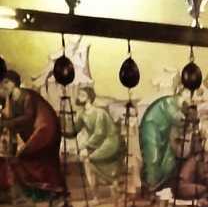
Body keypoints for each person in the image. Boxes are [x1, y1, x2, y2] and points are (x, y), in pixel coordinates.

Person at [0, 70, 64, 200]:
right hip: (36, 131)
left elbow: (28, 117)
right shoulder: (12, 99)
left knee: (26, 155)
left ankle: (51, 189)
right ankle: (41, 191)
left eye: (7, 82)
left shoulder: (26, 95)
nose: (4, 85)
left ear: (15, 83)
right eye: (2, 83)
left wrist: (7, 123)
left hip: (45, 129)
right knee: (36, 160)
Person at [75, 86, 123, 197]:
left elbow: (99, 133)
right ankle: (96, 196)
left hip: (110, 141)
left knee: (88, 159)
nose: (78, 97)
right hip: (97, 143)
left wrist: (85, 147)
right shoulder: (82, 114)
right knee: (87, 162)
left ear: (88, 98)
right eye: (79, 95)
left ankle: (113, 184)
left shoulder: (99, 113)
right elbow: (74, 130)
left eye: (82, 95)